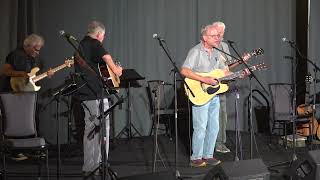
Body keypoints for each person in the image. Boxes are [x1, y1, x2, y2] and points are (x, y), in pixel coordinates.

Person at [74, 20, 122, 175]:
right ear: (100, 34)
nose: (103, 39)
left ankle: (89, 166)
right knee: (102, 129)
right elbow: (107, 57)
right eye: (103, 36)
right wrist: (116, 70)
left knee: (90, 130)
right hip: (96, 94)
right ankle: (99, 165)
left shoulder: (80, 45)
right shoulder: (94, 43)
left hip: (84, 94)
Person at [180, 24, 230, 167]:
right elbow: (184, 70)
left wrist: (240, 74)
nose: (218, 38)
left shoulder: (216, 52)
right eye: (214, 36)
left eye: (218, 35)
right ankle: (196, 157)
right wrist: (204, 79)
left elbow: (224, 72)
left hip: (214, 94)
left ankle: (208, 155)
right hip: (199, 93)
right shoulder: (196, 51)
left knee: (214, 126)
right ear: (204, 38)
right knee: (201, 126)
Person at [212, 21, 251, 153]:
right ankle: (206, 147)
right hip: (206, 85)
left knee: (222, 115)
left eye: (222, 33)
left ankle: (220, 143)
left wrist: (241, 61)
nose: (220, 36)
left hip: (221, 86)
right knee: (207, 118)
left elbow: (227, 66)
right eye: (218, 33)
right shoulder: (205, 46)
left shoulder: (224, 46)